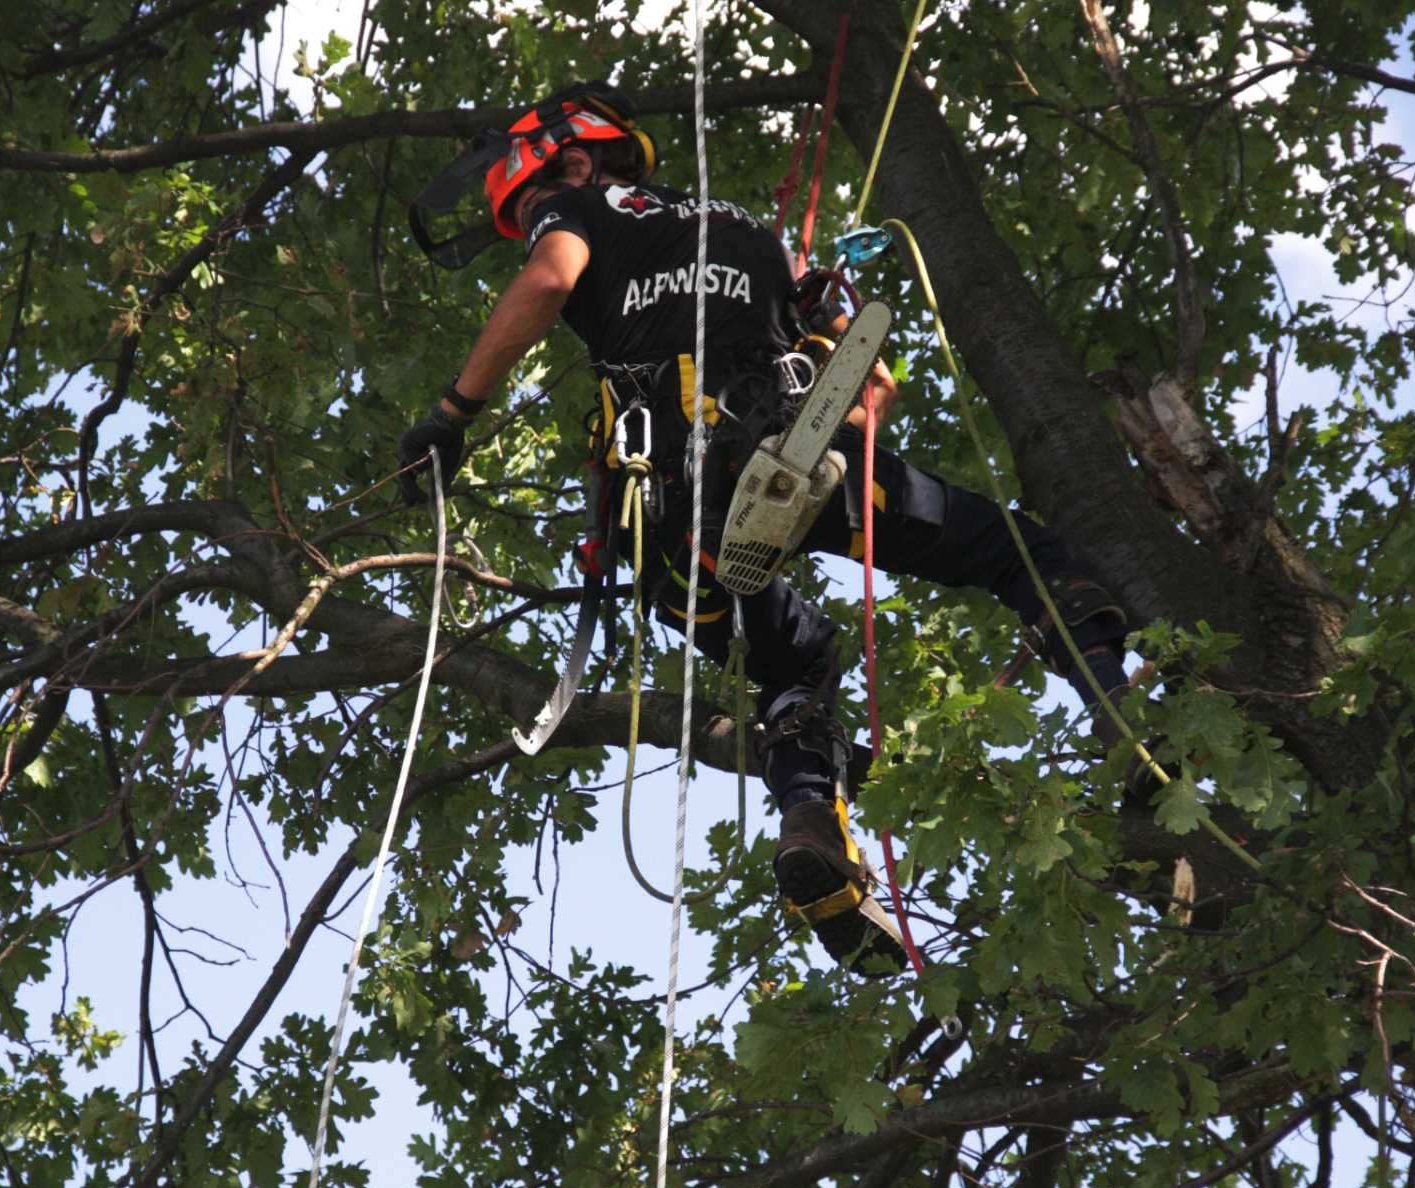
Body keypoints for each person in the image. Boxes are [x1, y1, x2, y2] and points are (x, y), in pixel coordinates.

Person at [398, 88, 1131, 972]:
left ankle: (810, 818)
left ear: (572, 162)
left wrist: (452, 412)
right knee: (1017, 552)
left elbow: (551, 277)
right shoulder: (760, 236)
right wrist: (828, 383)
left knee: (797, 660)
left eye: (530, 207)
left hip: (662, 513)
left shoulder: (579, 201)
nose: (533, 222)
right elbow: (875, 390)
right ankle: (1115, 708)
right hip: (795, 445)